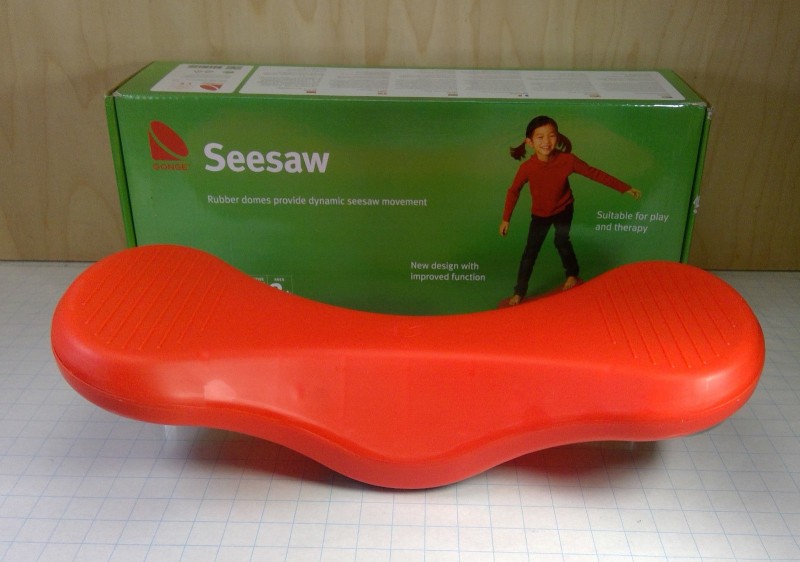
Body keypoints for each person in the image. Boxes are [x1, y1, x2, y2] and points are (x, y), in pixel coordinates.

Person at [500, 116, 641, 306]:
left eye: (551, 136)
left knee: (561, 241)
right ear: (529, 142)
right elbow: (513, 191)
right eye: (540, 137)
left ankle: (572, 274)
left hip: (564, 209)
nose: (546, 141)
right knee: (530, 253)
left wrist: (625, 188)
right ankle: (519, 292)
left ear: (557, 137)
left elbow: (594, 173)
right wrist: (506, 219)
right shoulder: (527, 168)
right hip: (540, 214)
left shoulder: (567, 160)